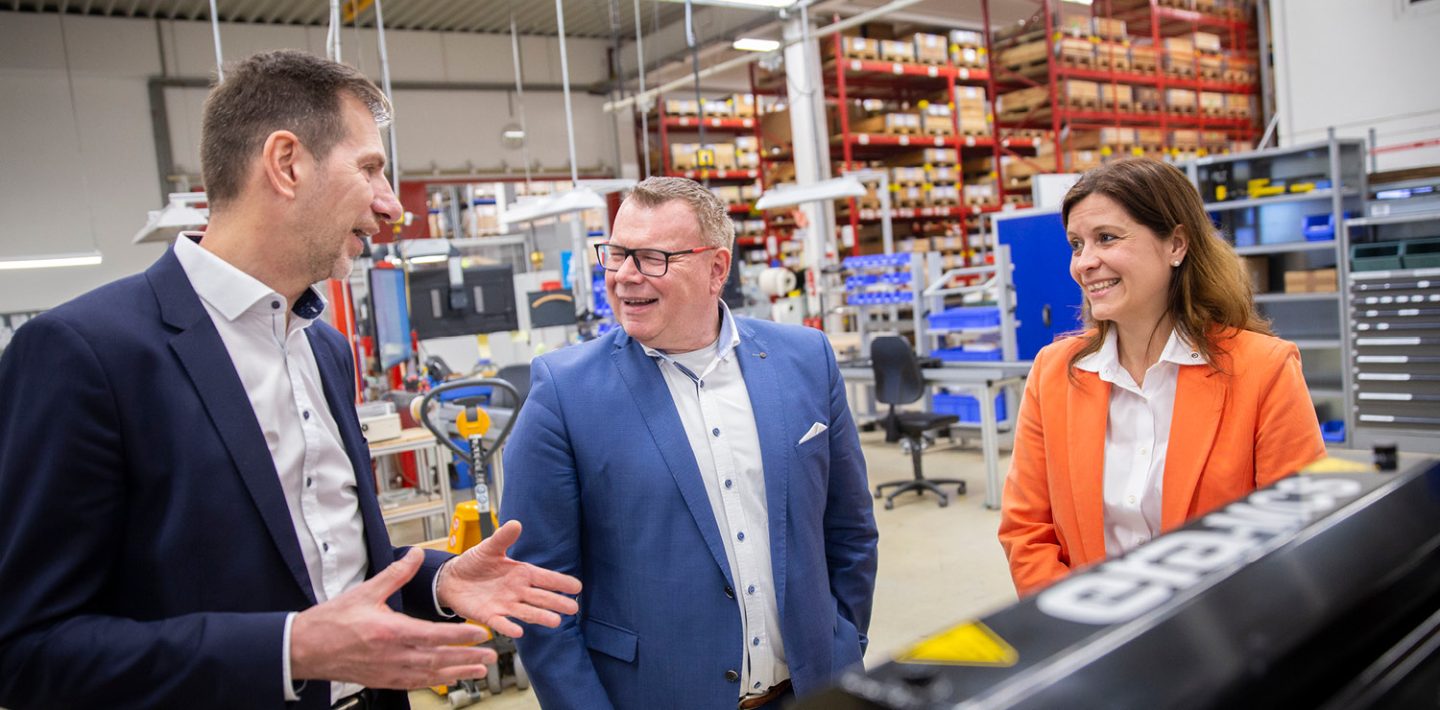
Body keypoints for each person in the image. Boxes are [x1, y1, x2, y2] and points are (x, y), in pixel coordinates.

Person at [0, 50, 581, 709]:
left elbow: (334, 563)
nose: (390, 205)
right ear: (286, 163)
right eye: (369, 169)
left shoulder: (325, 349)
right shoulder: (84, 354)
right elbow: (28, 649)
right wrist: (288, 650)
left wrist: (438, 580)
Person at [500, 176, 879, 709]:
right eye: (616, 254)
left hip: (813, 690)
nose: (626, 277)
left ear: (716, 269)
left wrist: (843, 641)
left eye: (653, 257)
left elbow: (851, 531)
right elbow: (538, 594)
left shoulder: (806, 360)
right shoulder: (565, 393)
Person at [998, 158, 1326, 597]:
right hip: (1091, 634)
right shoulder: (1055, 372)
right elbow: (1027, 529)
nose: (1084, 263)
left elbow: (1295, 530)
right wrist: (1083, 624)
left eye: (1106, 238)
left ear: (1176, 244)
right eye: (1077, 244)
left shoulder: (1263, 369)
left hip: (1222, 637)